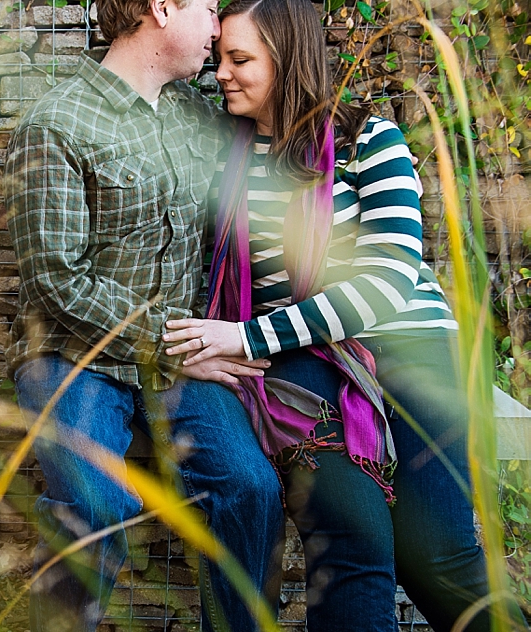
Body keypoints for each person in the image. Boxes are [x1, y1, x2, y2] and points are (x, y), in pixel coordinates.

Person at [163, 0, 528, 628]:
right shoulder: (231, 156)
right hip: (308, 358)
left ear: (288, 60)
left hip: (411, 348)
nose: (220, 72)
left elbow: (386, 280)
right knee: (350, 536)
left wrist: (246, 336)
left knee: (435, 555)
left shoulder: (369, 139)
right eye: (219, 56)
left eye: (240, 59)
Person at [3, 0, 286, 629]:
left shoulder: (198, 118)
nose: (217, 29)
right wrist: (171, 341)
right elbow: (56, 279)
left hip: (180, 359)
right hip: (74, 355)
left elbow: (283, 144)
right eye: (210, 9)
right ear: (162, 8)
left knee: (253, 491)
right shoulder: (57, 123)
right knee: (96, 504)